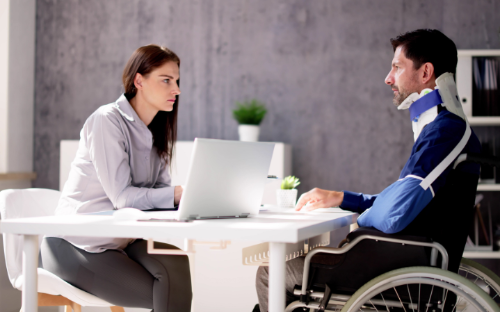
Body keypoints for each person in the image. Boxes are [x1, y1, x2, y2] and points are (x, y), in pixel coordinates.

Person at [255, 29, 481, 311]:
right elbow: (402, 202)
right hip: (400, 256)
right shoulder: (439, 129)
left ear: (426, 73)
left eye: (397, 68)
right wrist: (342, 198)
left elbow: (394, 213)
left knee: (270, 273)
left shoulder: (445, 131)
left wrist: (358, 222)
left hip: (396, 264)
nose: (388, 78)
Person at [41, 45, 192, 312]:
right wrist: (176, 194)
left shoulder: (155, 133)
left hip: (121, 240)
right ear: (139, 81)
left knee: (176, 262)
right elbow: (123, 197)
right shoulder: (106, 121)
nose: (176, 90)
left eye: (177, 81)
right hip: (76, 243)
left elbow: (161, 195)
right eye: (166, 80)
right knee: (166, 293)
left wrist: (190, 199)